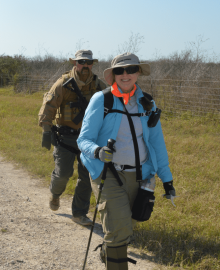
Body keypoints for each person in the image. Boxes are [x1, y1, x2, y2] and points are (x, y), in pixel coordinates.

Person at [77, 52, 176, 269]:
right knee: (119, 230)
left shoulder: (147, 102)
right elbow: (83, 139)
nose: (125, 74)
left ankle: (108, 249)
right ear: (113, 75)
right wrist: (97, 151)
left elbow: (157, 143)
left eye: (131, 69)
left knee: (129, 223)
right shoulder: (102, 100)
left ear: (138, 72)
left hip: (140, 175)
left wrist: (166, 179)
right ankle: (114, 252)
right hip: (108, 174)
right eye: (120, 70)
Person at [38, 50, 107, 226]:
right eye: (81, 62)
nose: (85, 65)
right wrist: (46, 130)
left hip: (89, 140)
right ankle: (55, 194)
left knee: (86, 176)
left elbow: (112, 106)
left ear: (92, 64)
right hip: (65, 138)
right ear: (75, 63)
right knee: (63, 173)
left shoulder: (99, 85)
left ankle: (79, 213)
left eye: (88, 62)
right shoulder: (63, 84)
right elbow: (49, 106)